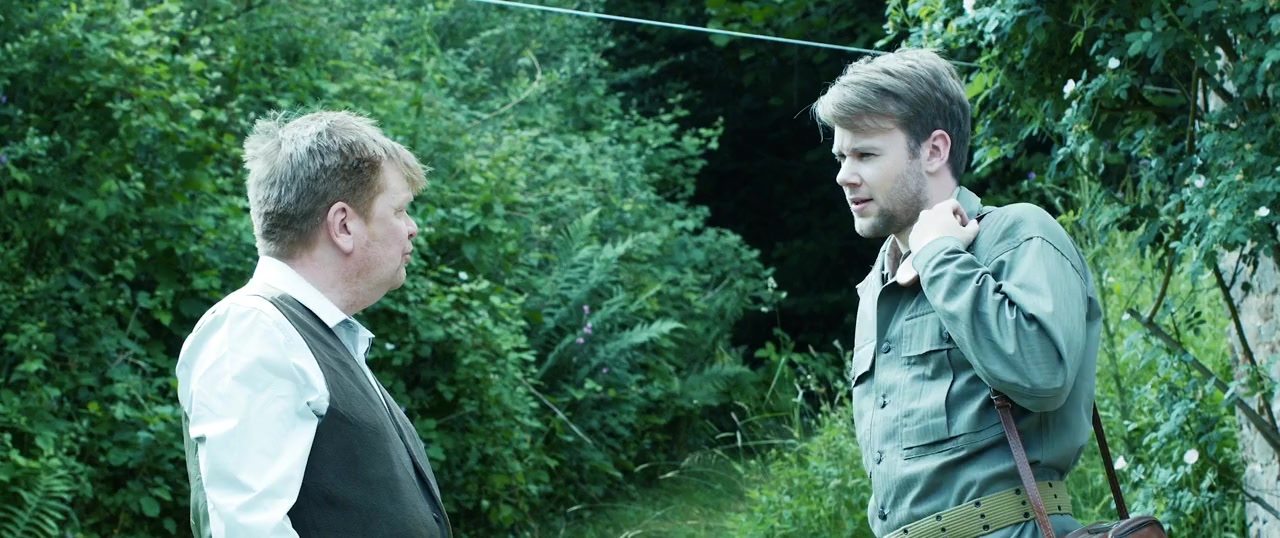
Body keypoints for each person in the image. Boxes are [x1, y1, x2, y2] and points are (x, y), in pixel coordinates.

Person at [813, 48, 1101, 538]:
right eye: (842, 156)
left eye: (866, 154)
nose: (844, 174)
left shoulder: (1017, 234)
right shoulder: (876, 285)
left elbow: (1043, 375)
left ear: (933, 151)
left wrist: (939, 255)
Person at [176, 111, 451, 537]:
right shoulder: (253, 331)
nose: (412, 229)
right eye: (399, 210)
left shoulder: (306, 336)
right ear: (343, 225)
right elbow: (248, 530)